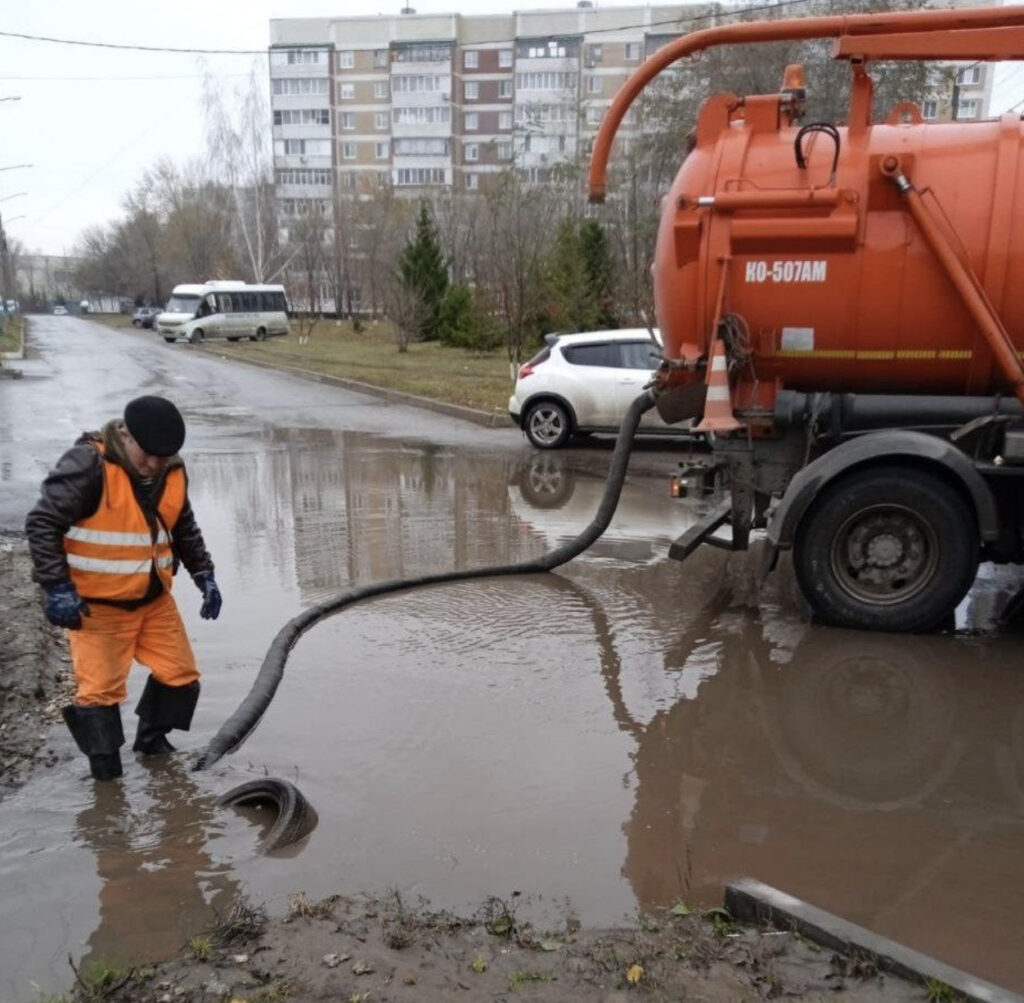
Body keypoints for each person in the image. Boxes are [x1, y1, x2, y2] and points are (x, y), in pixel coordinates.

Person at [25, 395, 222, 781]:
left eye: (162, 457)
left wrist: (204, 574)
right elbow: (42, 524)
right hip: (96, 607)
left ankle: (152, 743)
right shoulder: (88, 464)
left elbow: (183, 526)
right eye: (146, 454)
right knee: (99, 694)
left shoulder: (172, 471)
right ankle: (107, 778)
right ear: (125, 435)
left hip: (153, 600)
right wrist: (57, 586)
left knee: (181, 676)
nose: (153, 464)